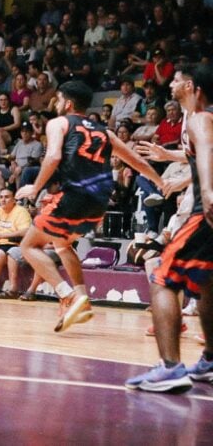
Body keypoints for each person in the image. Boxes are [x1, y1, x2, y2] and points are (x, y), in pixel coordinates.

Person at [16, 80, 164, 332]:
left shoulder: (58, 123)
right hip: (98, 205)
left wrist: (35, 187)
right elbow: (135, 160)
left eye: (59, 99)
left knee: (28, 245)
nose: (56, 103)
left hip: (72, 197)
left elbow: (52, 157)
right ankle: (82, 298)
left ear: (69, 103)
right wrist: (161, 182)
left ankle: (68, 295)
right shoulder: (105, 131)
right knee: (62, 244)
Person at [127, 66, 213, 392]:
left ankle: (170, 368)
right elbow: (202, 153)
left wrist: (205, 194)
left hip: (204, 211)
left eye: (176, 79)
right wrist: (168, 155)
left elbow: (206, 154)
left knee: (162, 278)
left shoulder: (200, 118)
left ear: (191, 86)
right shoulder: (205, 119)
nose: (171, 84)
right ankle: (209, 362)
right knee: (208, 282)